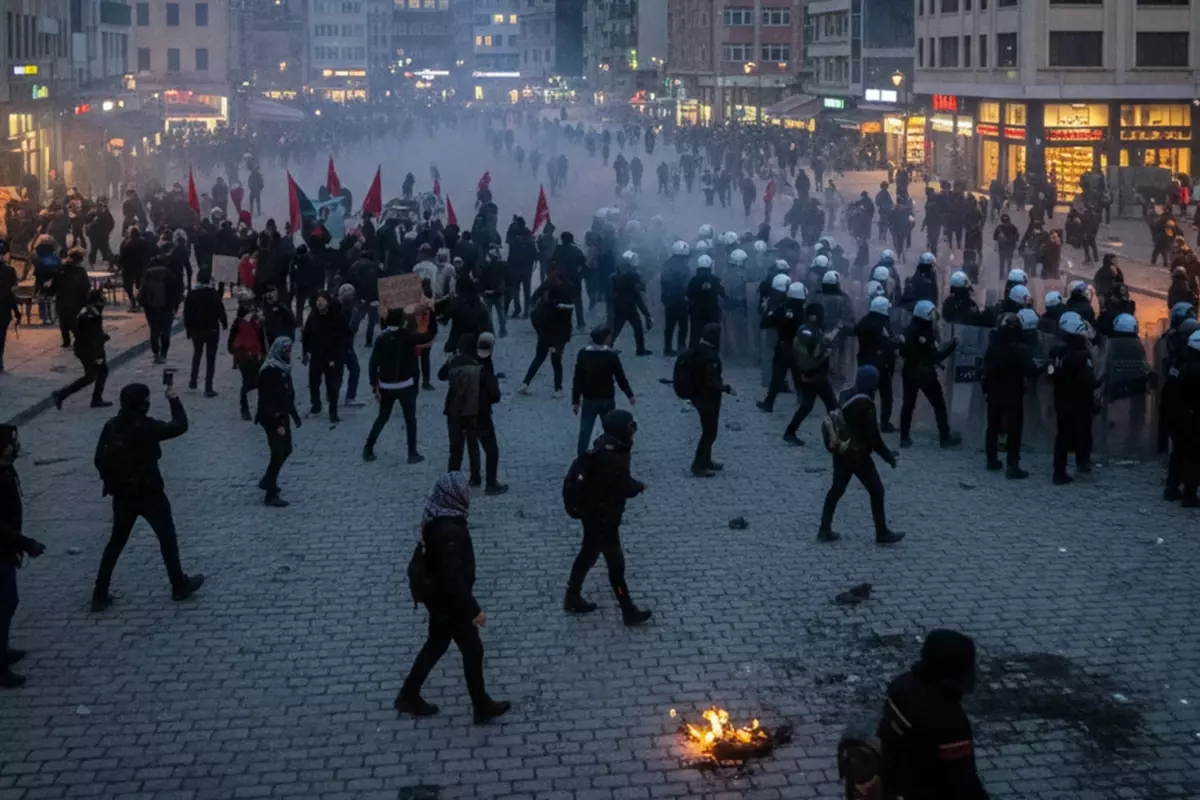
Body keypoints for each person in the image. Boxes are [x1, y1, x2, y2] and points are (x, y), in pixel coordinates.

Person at [395, 471, 511, 724]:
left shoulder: (439, 517)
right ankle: (480, 705)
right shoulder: (449, 532)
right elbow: (453, 579)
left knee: (436, 644)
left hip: (439, 600)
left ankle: (409, 693)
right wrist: (474, 611)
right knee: (472, 649)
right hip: (449, 603)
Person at [91, 383, 204, 611]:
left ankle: (99, 593)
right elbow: (180, 426)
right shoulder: (147, 426)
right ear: (143, 404)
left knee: (116, 542)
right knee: (167, 539)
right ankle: (179, 585)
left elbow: (98, 460)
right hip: (149, 493)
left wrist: (114, 480)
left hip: (123, 495)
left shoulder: (111, 426)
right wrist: (173, 399)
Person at [563, 409, 652, 626]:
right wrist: (639, 486)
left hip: (594, 515)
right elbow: (623, 486)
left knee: (589, 553)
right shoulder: (611, 458)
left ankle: (572, 596)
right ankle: (627, 609)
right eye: (630, 427)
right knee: (616, 565)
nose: (633, 432)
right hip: (603, 519)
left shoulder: (604, 447)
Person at [878, 630, 988, 800]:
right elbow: (963, 783)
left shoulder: (900, 686)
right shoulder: (949, 721)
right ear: (956, 670)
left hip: (894, 784)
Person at [816, 365, 903, 544]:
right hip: (858, 455)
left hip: (841, 452)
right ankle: (882, 533)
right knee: (877, 491)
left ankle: (824, 529)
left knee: (837, 490)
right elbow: (873, 437)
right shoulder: (865, 403)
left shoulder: (847, 394)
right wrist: (888, 457)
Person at [0, 425, 46, 688]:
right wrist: (24, 543)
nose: (15, 446)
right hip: (3, 548)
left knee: (8, 602)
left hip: (7, 548)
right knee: (4, 603)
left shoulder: (5, 470)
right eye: (10, 443)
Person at [365, 308, 437, 464]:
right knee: (410, 419)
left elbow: (373, 364)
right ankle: (412, 453)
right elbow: (427, 336)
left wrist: (374, 384)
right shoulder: (408, 336)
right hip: (406, 385)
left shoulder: (381, 339)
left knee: (383, 417)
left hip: (386, 385)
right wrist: (425, 315)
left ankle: (368, 447)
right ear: (403, 321)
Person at [439, 333, 506, 494]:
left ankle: (451, 487)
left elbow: (441, 376)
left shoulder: (453, 363)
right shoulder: (481, 366)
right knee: (491, 449)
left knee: (456, 451)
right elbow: (495, 395)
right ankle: (491, 483)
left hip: (455, 414)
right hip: (478, 413)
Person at [899, 300, 962, 448]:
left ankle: (904, 437)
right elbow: (937, 355)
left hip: (909, 371)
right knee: (939, 405)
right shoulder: (925, 332)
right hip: (925, 374)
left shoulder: (909, 329)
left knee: (908, 405)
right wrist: (952, 345)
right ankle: (944, 438)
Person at [982, 314, 1038, 480]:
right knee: (1014, 430)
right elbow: (1032, 372)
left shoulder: (994, 347)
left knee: (992, 427)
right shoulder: (1021, 349)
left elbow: (986, 368)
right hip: (1013, 394)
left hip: (994, 392)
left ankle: (992, 460)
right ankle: (1012, 465)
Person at [571, 326, 634, 457]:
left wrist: (576, 400)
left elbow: (578, 378)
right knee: (611, 429)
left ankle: (581, 457)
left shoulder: (583, 354)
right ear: (605, 339)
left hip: (589, 398)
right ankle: (613, 453)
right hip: (607, 397)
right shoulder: (611, 355)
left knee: (585, 430)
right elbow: (620, 376)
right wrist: (629, 394)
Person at [1050, 312, 1097, 485]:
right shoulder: (1083, 356)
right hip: (1080, 400)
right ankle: (1081, 462)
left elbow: (1051, 373)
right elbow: (1089, 380)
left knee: (1062, 436)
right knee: (1083, 432)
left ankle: (1059, 470)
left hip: (1061, 397)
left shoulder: (1056, 351)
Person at [256, 337, 302, 507]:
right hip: (272, 418)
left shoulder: (284, 367)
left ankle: (268, 479)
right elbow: (266, 400)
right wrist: (276, 423)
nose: (289, 354)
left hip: (283, 415)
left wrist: (294, 415)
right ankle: (270, 492)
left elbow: (288, 394)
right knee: (278, 453)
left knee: (287, 449)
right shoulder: (270, 370)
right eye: (286, 351)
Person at [784, 304, 838, 445]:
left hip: (811, 375)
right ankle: (838, 435)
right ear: (813, 316)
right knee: (833, 406)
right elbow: (814, 354)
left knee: (807, 406)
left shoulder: (807, 330)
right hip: (815, 376)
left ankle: (790, 431)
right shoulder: (808, 332)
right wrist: (827, 346)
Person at [52, 290, 112, 410]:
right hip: (89, 350)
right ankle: (62, 394)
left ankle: (95, 398)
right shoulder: (93, 314)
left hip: (83, 347)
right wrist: (98, 354)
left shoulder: (87, 310)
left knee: (99, 373)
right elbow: (92, 335)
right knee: (92, 375)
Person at [690, 323, 736, 477]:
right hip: (707, 398)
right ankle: (698, 465)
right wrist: (726, 388)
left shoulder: (698, 349)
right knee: (710, 432)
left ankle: (706, 460)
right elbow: (711, 381)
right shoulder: (710, 356)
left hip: (698, 396)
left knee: (709, 431)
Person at [520, 268, 575, 396]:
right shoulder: (566, 292)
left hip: (547, 333)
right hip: (559, 334)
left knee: (540, 357)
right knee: (555, 360)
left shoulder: (547, 295)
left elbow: (536, 316)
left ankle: (526, 383)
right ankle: (558, 388)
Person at [300, 291, 352, 425]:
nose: (320, 303)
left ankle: (333, 411)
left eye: (322, 300)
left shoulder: (337, 317)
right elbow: (306, 336)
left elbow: (347, 334)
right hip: (317, 356)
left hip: (333, 357)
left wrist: (344, 350)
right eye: (318, 300)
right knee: (314, 383)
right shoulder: (312, 317)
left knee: (332, 385)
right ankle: (316, 405)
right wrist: (305, 352)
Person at [758, 281, 807, 413]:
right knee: (798, 378)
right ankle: (804, 403)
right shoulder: (803, 312)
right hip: (797, 349)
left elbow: (764, 324)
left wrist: (768, 312)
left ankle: (769, 403)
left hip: (782, 346)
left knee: (777, 377)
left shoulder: (781, 309)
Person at [854, 296, 900, 432]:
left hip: (864, 362)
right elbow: (886, 344)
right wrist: (896, 343)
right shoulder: (881, 326)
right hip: (881, 365)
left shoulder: (865, 322)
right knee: (886, 396)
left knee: (866, 395)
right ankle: (884, 424)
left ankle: (862, 422)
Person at [182, 269, 227, 397]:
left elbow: (187, 314)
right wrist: (224, 323)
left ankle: (193, 380)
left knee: (197, 354)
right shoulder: (213, 294)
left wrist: (188, 330)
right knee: (210, 358)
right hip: (212, 329)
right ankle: (208, 387)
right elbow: (220, 310)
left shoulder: (191, 294)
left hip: (197, 330)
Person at [140, 254, 182, 364]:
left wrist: (146, 308)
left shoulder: (148, 275)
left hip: (152, 310)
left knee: (154, 332)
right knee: (166, 332)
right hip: (167, 309)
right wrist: (175, 307)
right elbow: (177, 293)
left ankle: (156, 353)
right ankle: (164, 354)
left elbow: (142, 294)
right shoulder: (169, 275)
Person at [610, 251, 653, 355]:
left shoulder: (615, 275)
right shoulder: (633, 275)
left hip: (619, 305)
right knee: (637, 328)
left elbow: (611, 292)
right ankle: (640, 349)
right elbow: (638, 294)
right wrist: (647, 315)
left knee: (616, 328)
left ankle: (607, 346)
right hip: (630, 305)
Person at [47, 247, 90, 349]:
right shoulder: (81, 271)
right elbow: (86, 286)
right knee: (73, 321)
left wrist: (50, 292)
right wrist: (86, 300)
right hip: (77, 301)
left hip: (62, 300)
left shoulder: (61, 269)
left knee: (63, 321)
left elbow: (55, 284)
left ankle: (66, 341)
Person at [660, 241, 692, 356]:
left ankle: (667, 348)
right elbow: (687, 284)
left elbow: (663, 281)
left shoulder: (667, 264)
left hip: (668, 299)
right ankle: (681, 347)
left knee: (669, 325)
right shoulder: (684, 267)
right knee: (683, 325)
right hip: (681, 299)